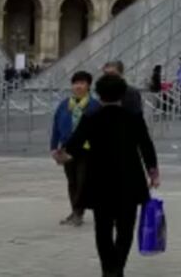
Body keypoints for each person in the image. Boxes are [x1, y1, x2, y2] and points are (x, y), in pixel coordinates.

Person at [59, 74, 159, 277]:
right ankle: (118, 268)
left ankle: (108, 269)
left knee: (103, 229)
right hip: (129, 180)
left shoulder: (91, 117)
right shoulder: (133, 118)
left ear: (98, 94)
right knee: (125, 228)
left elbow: (74, 145)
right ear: (122, 94)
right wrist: (153, 171)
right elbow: (146, 145)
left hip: (99, 180)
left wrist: (62, 154)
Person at [49, 71, 100, 227]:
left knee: (82, 181)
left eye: (82, 83)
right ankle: (75, 211)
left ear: (88, 86)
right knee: (72, 181)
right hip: (66, 148)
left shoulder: (94, 106)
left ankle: (78, 212)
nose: (78, 86)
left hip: (86, 150)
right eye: (75, 83)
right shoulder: (64, 105)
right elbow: (56, 127)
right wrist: (53, 147)